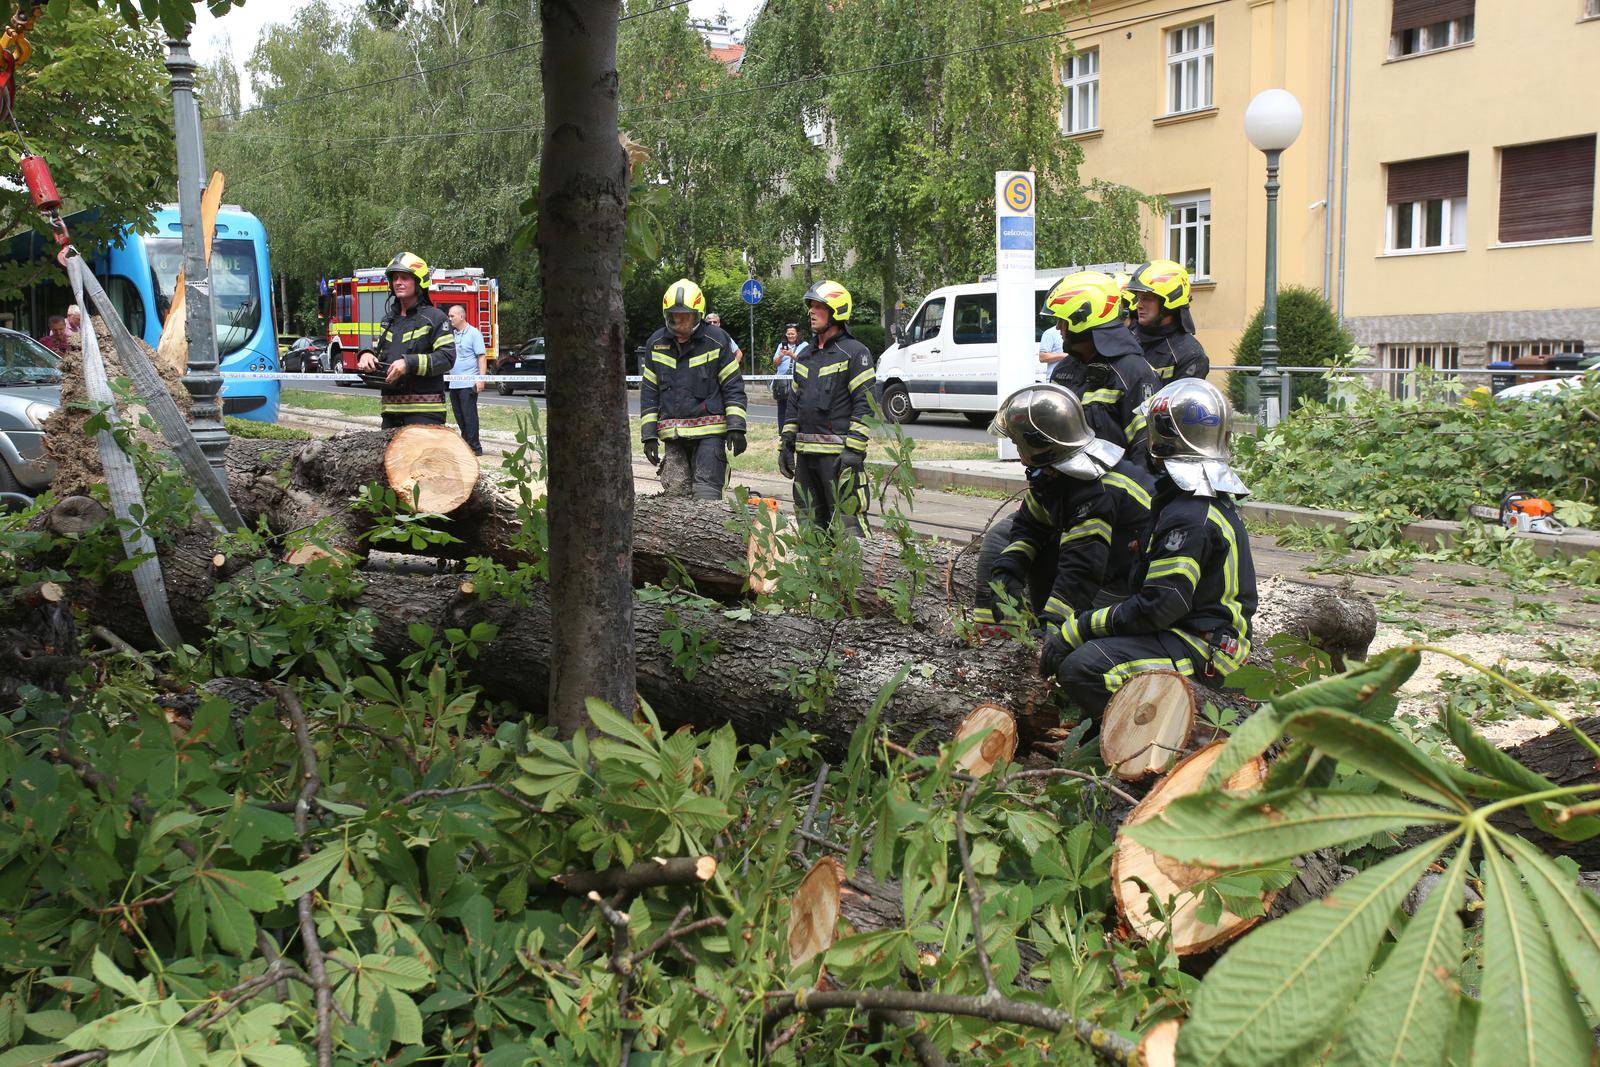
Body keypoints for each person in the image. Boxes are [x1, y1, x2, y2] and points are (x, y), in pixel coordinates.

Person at [1041, 378, 1257, 719]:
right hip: (1193, 635)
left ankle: (1141, 750)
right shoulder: (1191, 503)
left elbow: (1158, 606)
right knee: (1090, 652)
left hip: (1205, 650)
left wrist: (1079, 627)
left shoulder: (1190, 516)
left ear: (1161, 440)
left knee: (1086, 668)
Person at [973, 383, 1154, 631]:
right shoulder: (1056, 472)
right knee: (1001, 540)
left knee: (1077, 639)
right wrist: (1009, 569)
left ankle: (1046, 637)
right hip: (1102, 565)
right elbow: (1029, 525)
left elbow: (1082, 569)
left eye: (1018, 444)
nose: (1019, 454)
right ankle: (998, 633)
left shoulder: (1095, 489)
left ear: (1037, 444)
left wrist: (1055, 624)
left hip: (1129, 581)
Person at [640, 279, 748, 501]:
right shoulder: (656, 343)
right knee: (675, 499)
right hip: (673, 435)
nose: (680, 323)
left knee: (706, 496)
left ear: (698, 315)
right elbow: (649, 392)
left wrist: (737, 427)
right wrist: (648, 435)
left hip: (709, 434)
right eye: (674, 317)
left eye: (686, 317)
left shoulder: (716, 340)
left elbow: (733, 386)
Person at [780, 279, 873, 537]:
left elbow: (865, 404)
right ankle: (816, 577)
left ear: (836, 311)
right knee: (810, 527)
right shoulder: (806, 356)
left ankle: (853, 576)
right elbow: (794, 405)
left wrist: (854, 449)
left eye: (819, 306)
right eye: (810, 305)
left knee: (848, 527)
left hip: (838, 460)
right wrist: (787, 444)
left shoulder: (855, 353)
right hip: (806, 458)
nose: (811, 311)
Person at [1043, 271, 1160, 466]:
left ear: (1083, 319)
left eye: (1062, 320)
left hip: (1113, 494)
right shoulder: (1064, 370)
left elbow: (1145, 458)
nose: (1058, 328)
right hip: (1064, 491)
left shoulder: (1135, 373)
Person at [356, 252, 454, 428]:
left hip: (425, 414)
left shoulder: (436, 318)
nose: (398, 282)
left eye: (404, 277)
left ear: (419, 282)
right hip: (391, 412)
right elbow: (382, 355)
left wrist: (408, 364)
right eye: (394, 278)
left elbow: (447, 358)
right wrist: (366, 355)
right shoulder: (388, 320)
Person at [1126, 259, 1210, 382]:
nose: (1139, 305)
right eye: (1139, 298)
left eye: (1147, 299)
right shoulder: (1127, 338)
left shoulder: (1189, 355)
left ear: (1170, 300)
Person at [445, 304, 487, 455]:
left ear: (461, 316)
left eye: (452, 316)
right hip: (454, 383)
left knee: (469, 416)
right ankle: (466, 444)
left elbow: (481, 357)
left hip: (468, 382)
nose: (449, 319)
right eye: (449, 316)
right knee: (459, 416)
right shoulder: (453, 335)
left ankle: (475, 447)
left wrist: (480, 379)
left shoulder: (474, 333)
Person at [771, 324, 807, 430]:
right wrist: (781, 355)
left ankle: (797, 430)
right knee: (782, 407)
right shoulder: (781, 346)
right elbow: (774, 365)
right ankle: (782, 431)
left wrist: (791, 354)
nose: (790, 336)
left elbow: (805, 361)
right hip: (782, 383)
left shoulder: (804, 345)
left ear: (798, 334)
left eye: (793, 333)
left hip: (798, 382)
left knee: (797, 407)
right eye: (788, 334)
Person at [1035, 318, 1065, 382]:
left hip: (1075, 379)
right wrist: (1066, 356)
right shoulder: (1050, 333)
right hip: (1055, 379)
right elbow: (1042, 357)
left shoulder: (1076, 333)